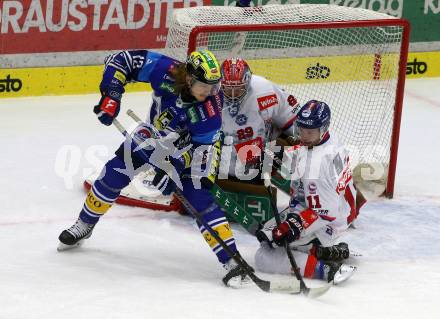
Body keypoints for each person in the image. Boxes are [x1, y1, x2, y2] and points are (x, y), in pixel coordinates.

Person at [57, 49, 248, 286]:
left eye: (214, 85)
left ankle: (231, 259)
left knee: (199, 198)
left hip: (195, 151)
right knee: (113, 173)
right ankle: (84, 225)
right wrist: (112, 95)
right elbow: (120, 60)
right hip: (154, 136)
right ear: (189, 78)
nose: (210, 91)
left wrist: (173, 168)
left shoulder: (209, 110)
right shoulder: (166, 71)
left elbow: (200, 153)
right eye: (204, 85)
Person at [254, 100, 362, 284]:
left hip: (330, 221)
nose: (303, 135)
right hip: (337, 208)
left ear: (323, 128)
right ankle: (322, 252)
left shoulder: (318, 167)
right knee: (267, 233)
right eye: (301, 129)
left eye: (309, 132)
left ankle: (326, 269)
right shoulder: (327, 139)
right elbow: (300, 163)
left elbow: (326, 213)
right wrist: (272, 157)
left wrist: (294, 226)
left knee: (264, 256)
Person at [219, 57, 300, 181]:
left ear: (247, 82)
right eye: (229, 89)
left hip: (265, 157)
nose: (234, 95)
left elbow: (289, 114)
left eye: (238, 88)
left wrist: (304, 140)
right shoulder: (211, 98)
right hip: (225, 166)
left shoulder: (265, 90)